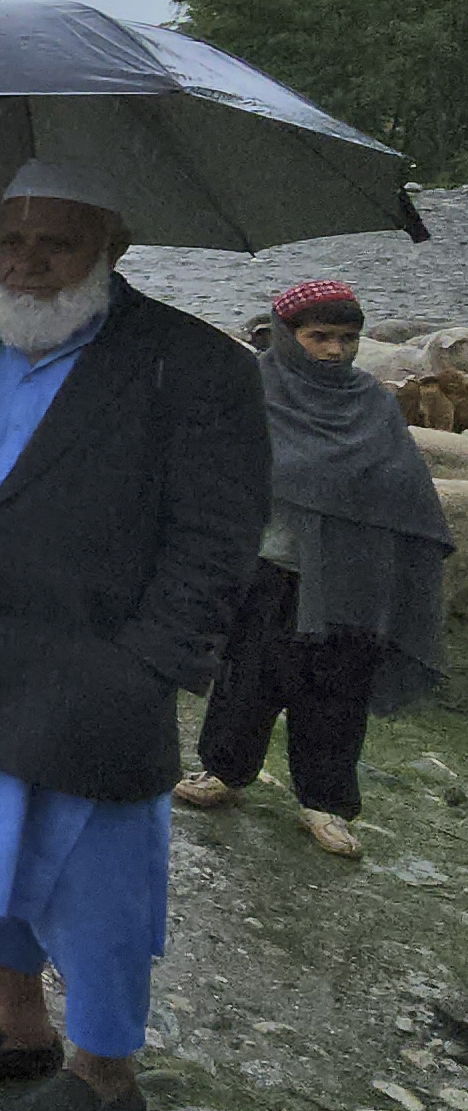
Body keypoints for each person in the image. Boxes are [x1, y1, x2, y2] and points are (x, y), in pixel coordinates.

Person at [0, 161, 267, 1111]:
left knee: (97, 884)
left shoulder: (193, 364)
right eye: (11, 240)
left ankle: (105, 1068)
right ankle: (18, 1024)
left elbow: (220, 533)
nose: (26, 263)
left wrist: (150, 663)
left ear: (112, 247)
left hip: (93, 670)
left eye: (57, 243)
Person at [176, 279, 450, 855]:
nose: (334, 350)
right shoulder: (250, 392)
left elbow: (405, 488)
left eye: (347, 338)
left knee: (338, 688)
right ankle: (224, 771)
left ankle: (325, 804)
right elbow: (211, 472)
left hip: (353, 575)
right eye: (319, 336)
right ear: (285, 335)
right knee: (245, 677)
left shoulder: (372, 402)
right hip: (266, 567)